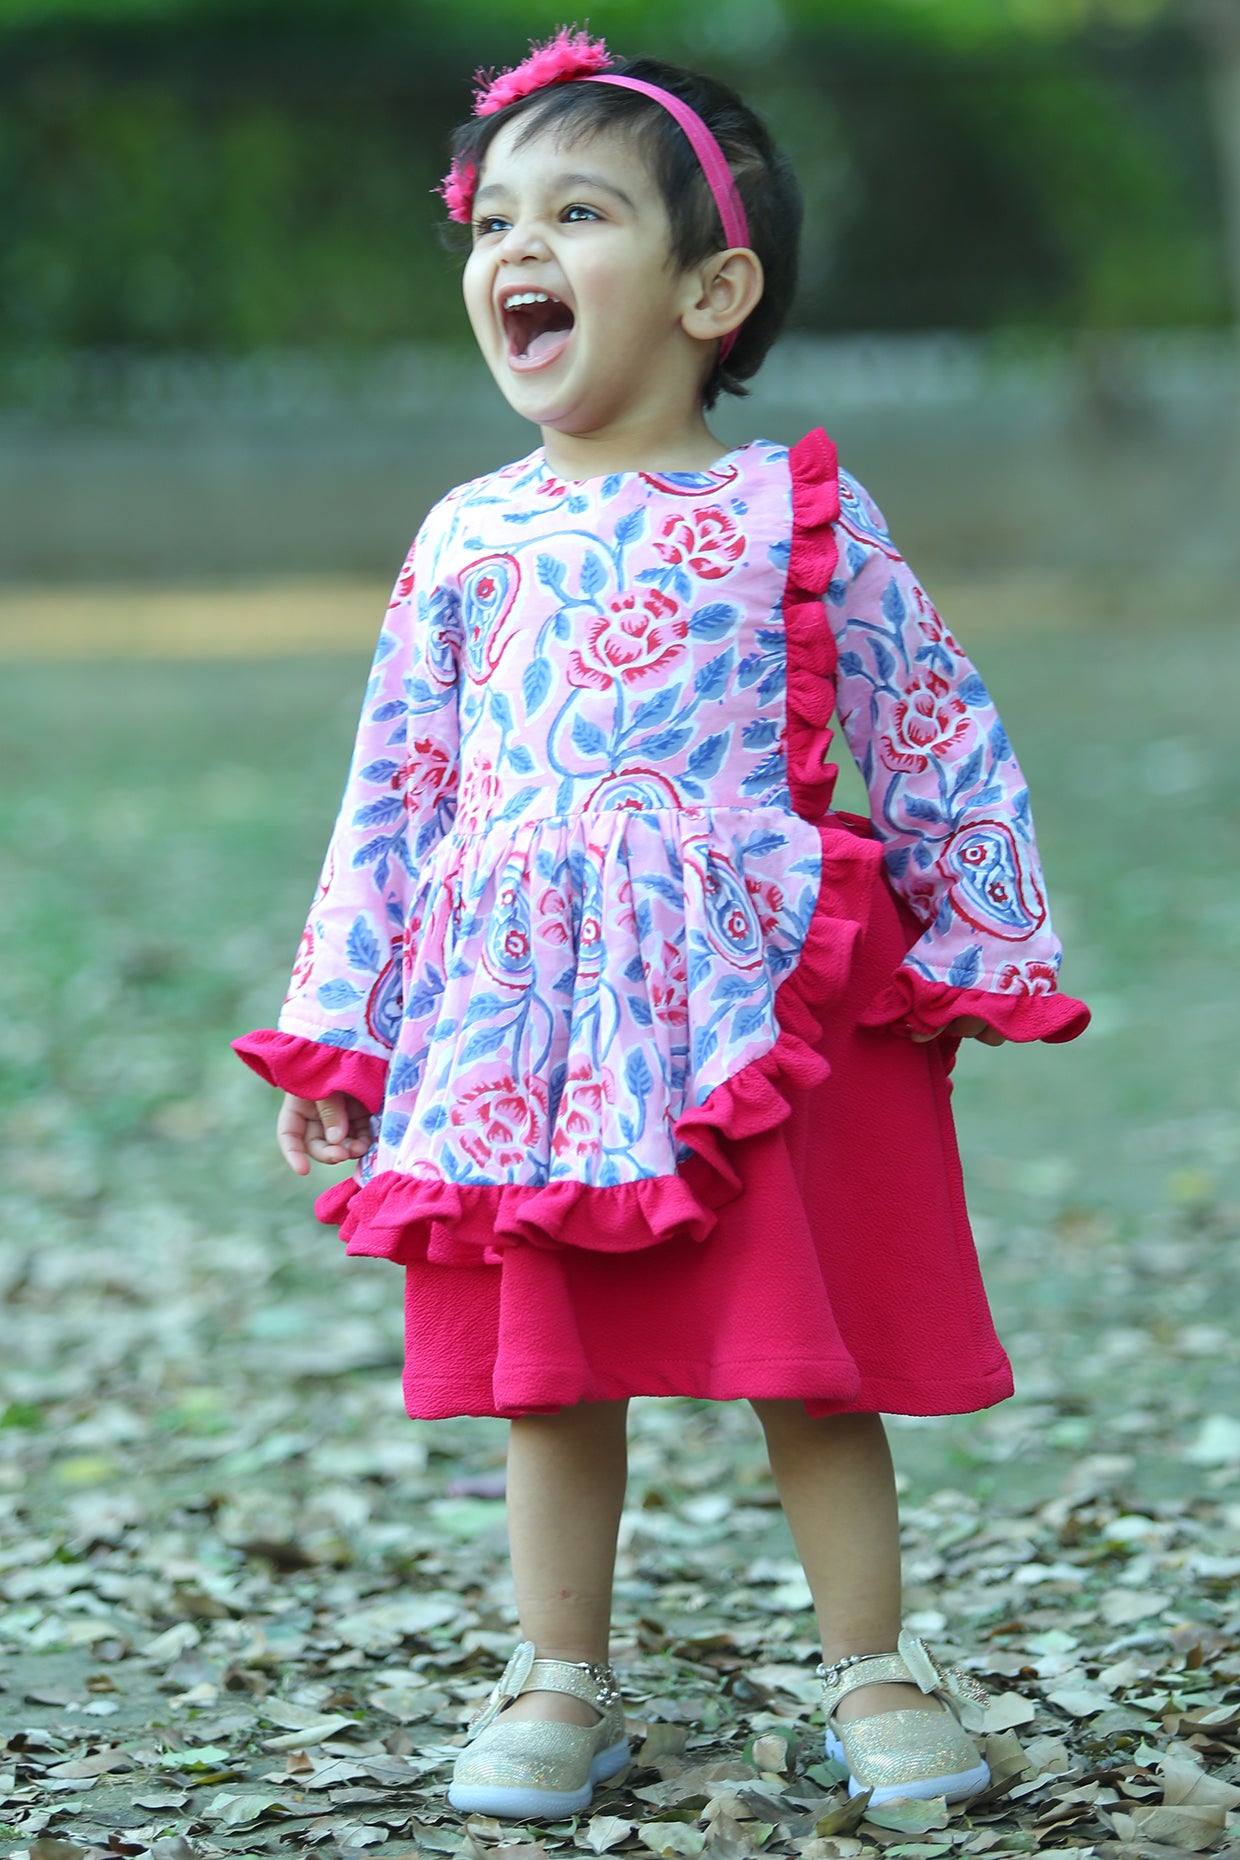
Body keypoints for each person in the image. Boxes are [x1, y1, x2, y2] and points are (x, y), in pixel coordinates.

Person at [233, 26, 1089, 1824]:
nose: (517, 249)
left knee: (807, 1354)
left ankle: (872, 1663)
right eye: (495, 222)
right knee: (552, 1362)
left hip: (747, 1004)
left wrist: (971, 947)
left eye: (580, 212)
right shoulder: (467, 536)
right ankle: (560, 1673)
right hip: (521, 1021)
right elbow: (394, 793)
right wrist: (346, 1025)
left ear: (715, 287)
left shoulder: (793, 513)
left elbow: (932, 717)